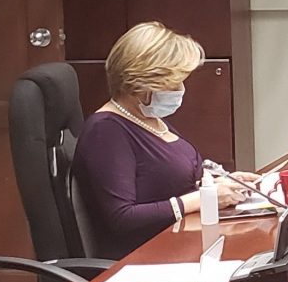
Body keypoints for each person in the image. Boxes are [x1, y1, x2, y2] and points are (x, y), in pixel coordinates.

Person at [72, 22, 256, 260]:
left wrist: (219, 184)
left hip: (183, 245)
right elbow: (122, 217)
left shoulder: (149, 119)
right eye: (173, 82)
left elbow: (166, 182)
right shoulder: (106, 131)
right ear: (142, 82)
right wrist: (203, 199)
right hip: (146, 261)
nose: (180, 89)